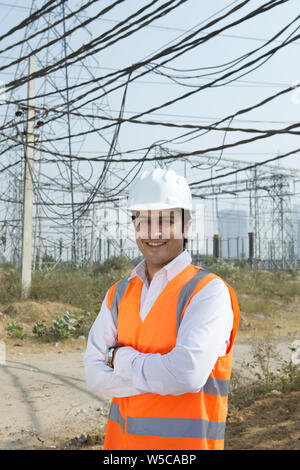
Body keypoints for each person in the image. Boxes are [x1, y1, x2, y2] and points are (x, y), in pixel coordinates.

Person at [84, 168, 240, 450]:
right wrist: (161, 375)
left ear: (187, 225)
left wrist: (118, 358)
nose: (153, 233)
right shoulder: (119, 293)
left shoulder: (208, 292)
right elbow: (93, 375)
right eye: (143, 221)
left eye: (166, 221)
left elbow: (186, 375)